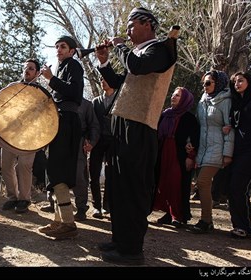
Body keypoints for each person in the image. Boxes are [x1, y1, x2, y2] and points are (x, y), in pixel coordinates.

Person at [95, 7, 178, 264]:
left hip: (140, 127)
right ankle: (120, 240)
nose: (127, 32)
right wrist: (104, 61)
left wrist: (120, 47)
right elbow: (122, 82)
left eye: (131, 26)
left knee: (132, 186)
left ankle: (132, 250)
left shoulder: (161, 50)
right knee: (118, 185)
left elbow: (137, 66)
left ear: (147, 24)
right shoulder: (139, 53)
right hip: (122, 124)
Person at [38, 35, 84, 239]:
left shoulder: (74, 66)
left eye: (63, 46)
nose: (59, 49)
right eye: (57, 47)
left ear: (72, 50)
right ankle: (59, 220)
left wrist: (51, 79)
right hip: (59, 121)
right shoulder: (63, 67)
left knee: (59, 170)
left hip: (67, 122)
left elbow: (75, 92)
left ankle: (68, 223)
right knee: (54, 170)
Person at [191, 70, 234, 233]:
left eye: (208, 83)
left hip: (218, 148)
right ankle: (206, 221)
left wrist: (227, 153)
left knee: (202, 181)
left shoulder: (225, 101)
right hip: (202, 148)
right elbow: (198, 125)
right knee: (203, 184)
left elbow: (230, 128)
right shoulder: (202, 100)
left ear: (218, 83)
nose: (205, 86)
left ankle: (206, 220)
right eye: (203, 83)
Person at [153, 87, 199, 227]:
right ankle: (168, 213)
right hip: (163, 152)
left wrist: (191, 156)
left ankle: (178, 215)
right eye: (173, 95)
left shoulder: (189, 118)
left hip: (179, 155)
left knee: (176, 184)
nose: (173, 97)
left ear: (185, 99)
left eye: (178, 96)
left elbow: (195, 139)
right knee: (163, 182)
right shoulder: (165, 115)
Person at [0, 59, 41, 214]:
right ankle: (12, 197)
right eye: (25, 68)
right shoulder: (12, 88)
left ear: (37, 73)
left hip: (30, 137)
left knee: (24, 165)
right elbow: (2, 107)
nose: (27, 71)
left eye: (31, 68)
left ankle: (24, 199)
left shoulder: (41, 93)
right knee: (6, 165)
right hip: (10, 134)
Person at [227, 72, 251, 238]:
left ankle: (245, 227)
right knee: (233, 188)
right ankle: (240, 226)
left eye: (241, 80)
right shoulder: (236, 103)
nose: (237, 83)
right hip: (237, 152)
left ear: (249, 82)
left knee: (239, 186)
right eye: (235, 81)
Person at [89, 78, 117, 218]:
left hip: (113, 142)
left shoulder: (119, 99)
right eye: (101, 79)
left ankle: (107, 206)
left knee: (111, 174)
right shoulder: (95, 102)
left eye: (106, 79)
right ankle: (96, 207)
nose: (103, 81)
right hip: (97, 141)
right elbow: (91, 123)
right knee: (93, 174)